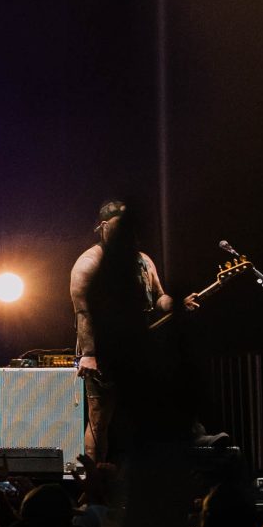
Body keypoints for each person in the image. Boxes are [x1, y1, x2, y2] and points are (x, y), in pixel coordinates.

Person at [68, 198, 172, 466]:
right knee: (100, 421)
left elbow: (159, 297)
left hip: (138, 351)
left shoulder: (143, 261)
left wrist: (175, 304)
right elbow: (84, 312)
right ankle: (93, 486)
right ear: (104, 226)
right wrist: (89, 354)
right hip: (104, 353)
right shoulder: (90, 263)